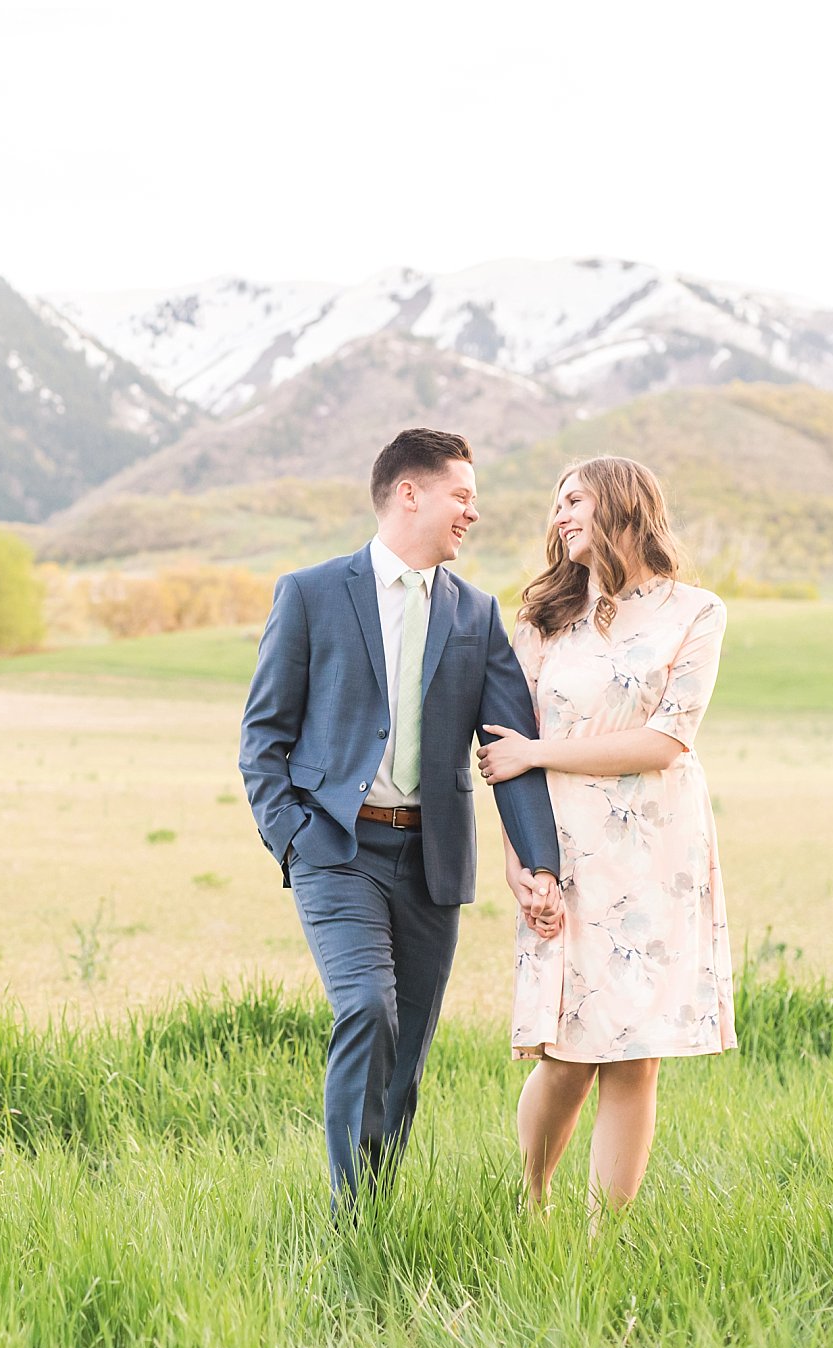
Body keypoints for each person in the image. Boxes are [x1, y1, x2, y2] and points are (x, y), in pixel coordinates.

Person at [240, 427, 563, 1211]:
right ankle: (350, 1220)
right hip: (336, 848)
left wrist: (540, 862)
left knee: (408, 1049)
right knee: (367, 1008)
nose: (472, 514)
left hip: (432, 859)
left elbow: (509, 747)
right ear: (409, 493)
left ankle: (376, 1216)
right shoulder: (311, 593)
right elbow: (263, 736)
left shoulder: (476, 614)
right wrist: (294, 835)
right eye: (462, 496)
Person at [475, 454, 735, 1217]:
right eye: (556, 504)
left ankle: (604, 1245)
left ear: (623, 505)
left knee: (634, 1057)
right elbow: (501, 753)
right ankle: (530, 1204)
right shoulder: (542, 619)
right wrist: (520, 866)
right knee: (566, 1055)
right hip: (561, 848)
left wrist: (538, 752)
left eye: (575, 500)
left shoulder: (696, 611)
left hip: (658, 851)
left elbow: (666, 742)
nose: (559, 516)